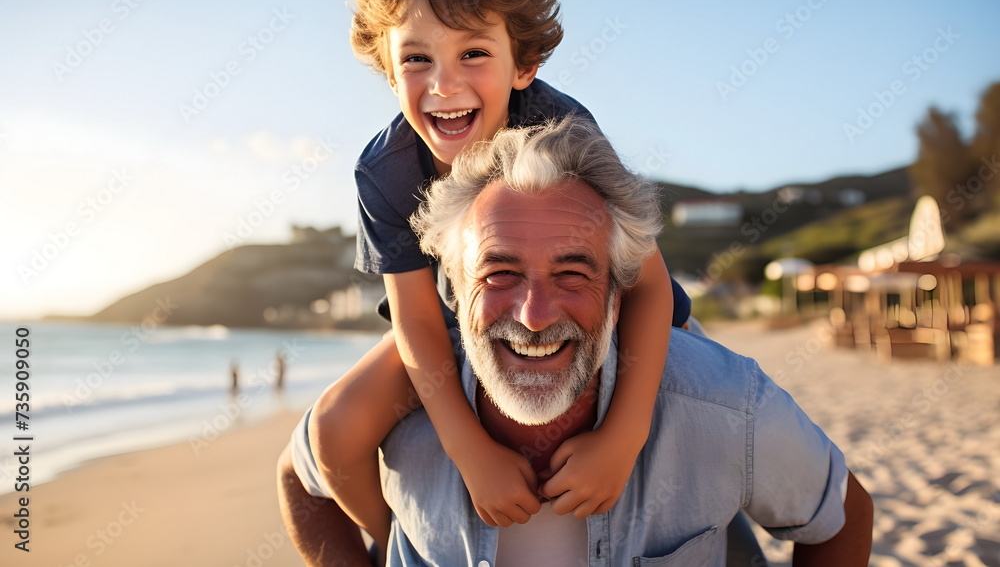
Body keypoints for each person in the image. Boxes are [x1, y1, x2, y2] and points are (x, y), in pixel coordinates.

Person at [280, 118, 873, 565]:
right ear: (454, 297)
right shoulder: (400, 414)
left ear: (618, 296)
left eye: (572, 274)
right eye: (500, 274)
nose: (535, 316)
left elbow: (840, 518)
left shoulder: (724, 405)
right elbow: (301, 479)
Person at [311, 0, 691, 555]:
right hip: (471, 320)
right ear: (387, 66)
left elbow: (651, 290)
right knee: (335, 430)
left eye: (474, 53)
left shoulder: (561, 129)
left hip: (595, 312)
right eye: (416, 58)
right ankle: (394, 543)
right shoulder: (385, 171)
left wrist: (620, 438)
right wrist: (471, 455)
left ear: (525, 63)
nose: (444, 84)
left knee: (692, 416)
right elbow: (416, 322)